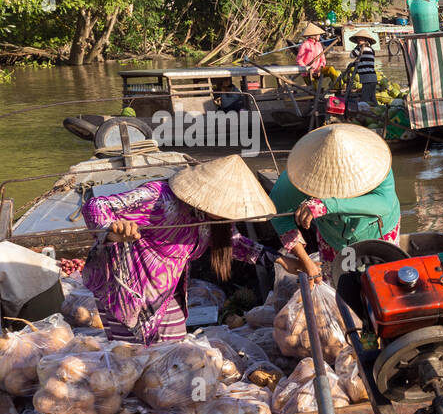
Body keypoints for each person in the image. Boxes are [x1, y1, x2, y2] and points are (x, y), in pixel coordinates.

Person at [80, 157, 279, 344]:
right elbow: (96, 206)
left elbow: (234, 242)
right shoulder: (160, 197)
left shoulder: (219, 218)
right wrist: (113, 231)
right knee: (133, 360)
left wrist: (278, 260)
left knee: (173, 353)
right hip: (126, 289)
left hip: (165, 292)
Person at [269, 123, 401, 283]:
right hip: (332, 236)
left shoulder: (376, 164)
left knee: (386, 283)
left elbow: (384, 203)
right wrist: (305, 261)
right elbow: (278, 214)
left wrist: (326, 205)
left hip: (377, 231)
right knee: (339, 284)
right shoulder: (297, 176)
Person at [348, 29, 379, 104]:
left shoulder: (360, 48)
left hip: (367, 78)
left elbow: (351, 55)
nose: (358, 41)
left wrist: (357, 47)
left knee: (365, 99)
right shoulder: (371, 49)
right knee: (372, 98)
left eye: (359, 39)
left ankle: (366, 114)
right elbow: (364, 60)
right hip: (373, 77)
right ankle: (377, 111)